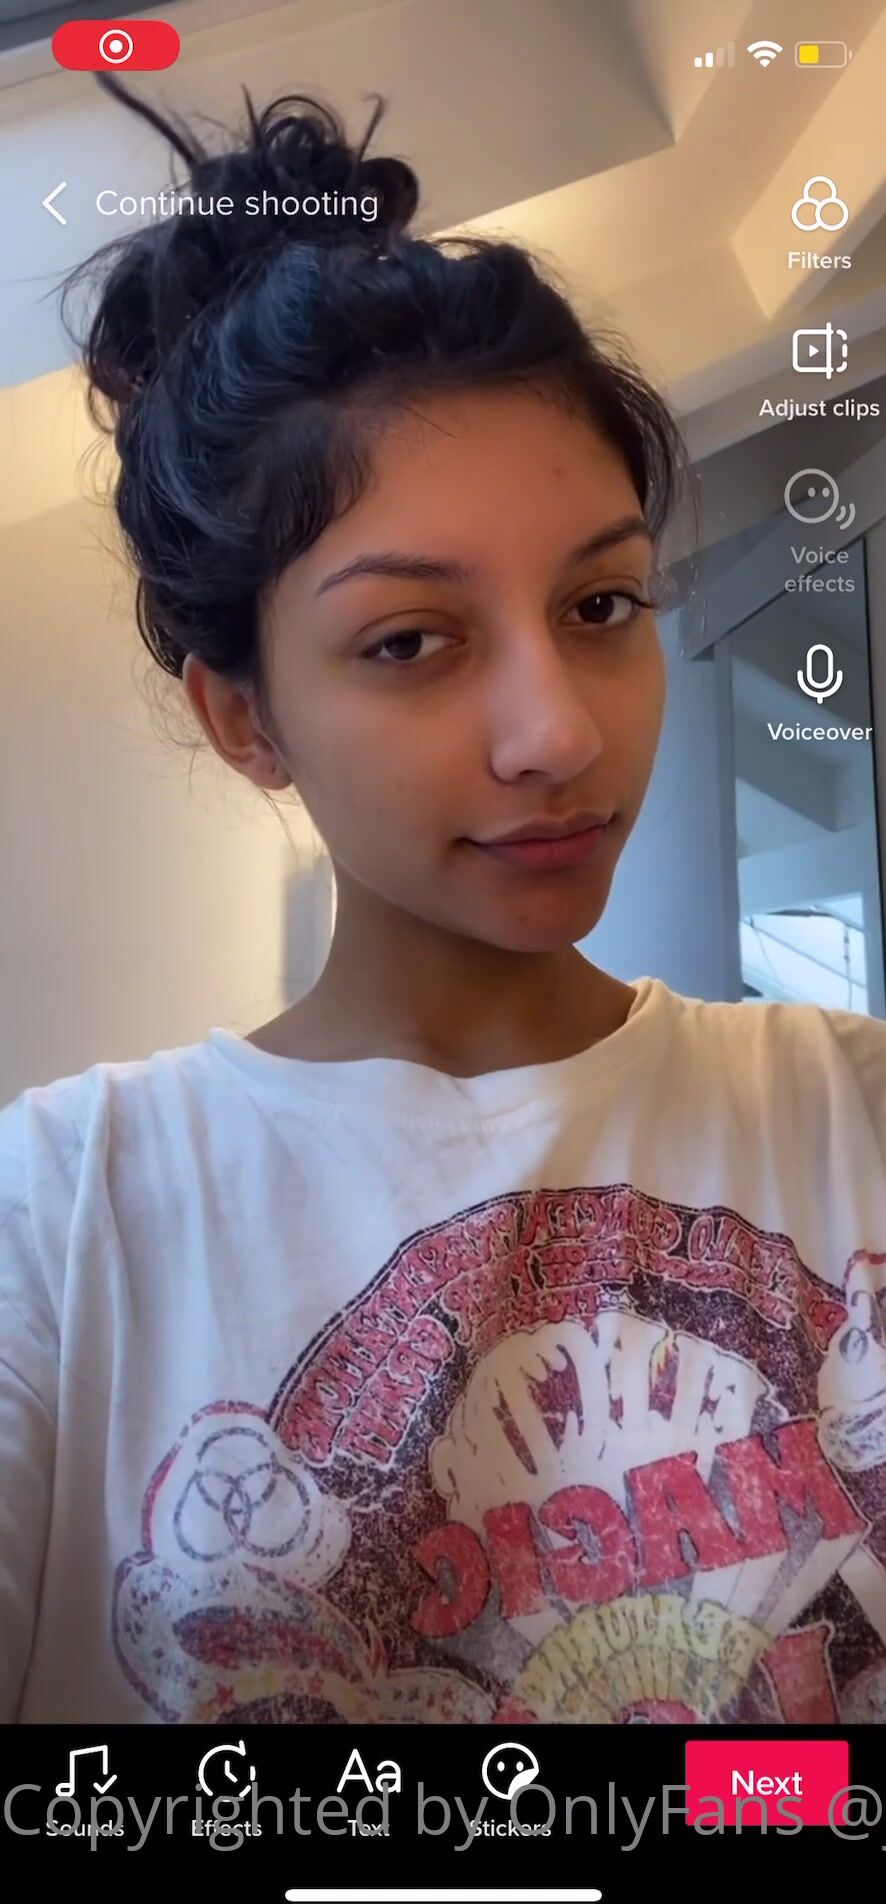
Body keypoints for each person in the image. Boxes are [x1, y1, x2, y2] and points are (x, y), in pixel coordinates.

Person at [2, 73, 886, 1731]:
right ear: (245, 717)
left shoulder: (848, 1111)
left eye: (600, 604)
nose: (560, 734)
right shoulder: (61, 1221)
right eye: (410, 640)